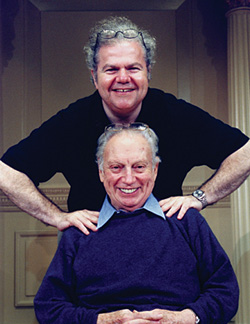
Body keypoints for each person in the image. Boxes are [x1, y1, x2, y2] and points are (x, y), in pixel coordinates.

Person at [0, 16, 250, 235]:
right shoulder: (71, 123)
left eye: (133, 68)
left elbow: (244, 154)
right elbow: (6, 173)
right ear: (93, 76)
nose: (123, 78)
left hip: (166, 245)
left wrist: (200, 198)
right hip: (89, 247)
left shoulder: (176, 115)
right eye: (111, 69)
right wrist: (57, 216)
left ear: (148, 72)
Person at [34, 124, 239, 324]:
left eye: (139, 167)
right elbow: (49, 310)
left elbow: (225, 291)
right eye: (116, 167)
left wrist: (188, 320)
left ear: (154, 170)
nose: (129, 178)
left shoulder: (186, 220)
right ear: (101, 173)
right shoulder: (80, 231)